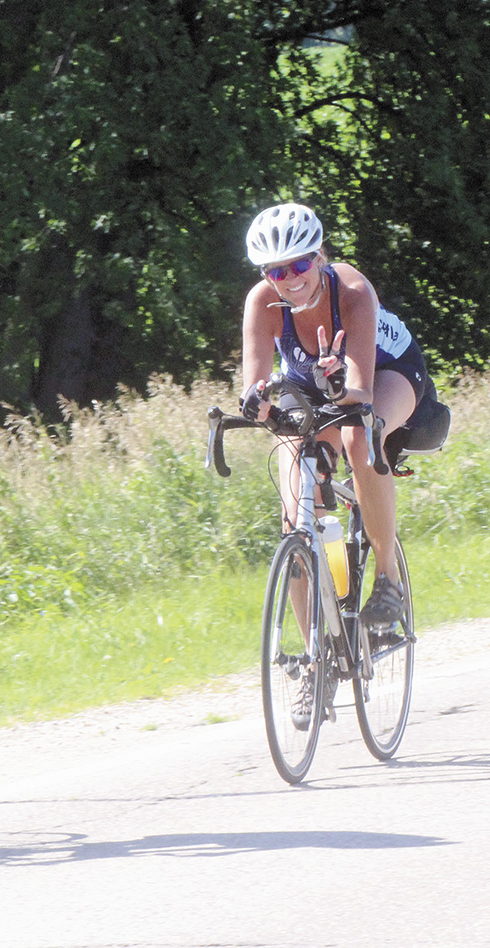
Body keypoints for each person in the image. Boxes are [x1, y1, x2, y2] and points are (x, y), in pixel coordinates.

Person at [240, 203, 429, 722]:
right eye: (277, 271)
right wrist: (257, 406)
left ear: (319, 256)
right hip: (312, 387)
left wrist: (339, 379)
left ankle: (386, 583)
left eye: (299, 265)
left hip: (387, 374)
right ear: (265, 275)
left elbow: (361, 389)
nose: (290, 279)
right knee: (293, 514)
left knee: (358, 439)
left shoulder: (352, 292)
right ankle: (314, 662)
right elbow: (256, 384)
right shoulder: (264, 303)